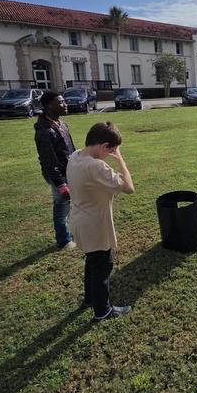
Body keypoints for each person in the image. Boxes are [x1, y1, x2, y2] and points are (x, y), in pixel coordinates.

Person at [66, 121, 135, 322]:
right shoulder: (95, 166)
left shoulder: (75, 156)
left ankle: (90, 299)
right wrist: (121, 160)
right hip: (94, 225)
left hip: (79, 220)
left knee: (92, 263)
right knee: (102, 267)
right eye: (111, 150)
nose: (111, 154)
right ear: (104, 146)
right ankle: (102, 311)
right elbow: (129, 187)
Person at [34, 91, 76, 250]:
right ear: (48, 106)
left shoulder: (62, 124)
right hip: (57, 175)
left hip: (69, 171)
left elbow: (69, 148)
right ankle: (64, 240)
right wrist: (61, 185)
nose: (65, 105)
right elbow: (49, 162)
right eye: (60, 102)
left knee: (71, 204)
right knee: (61, 205)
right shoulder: (44, 132)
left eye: (64, 101)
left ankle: (72, 232)